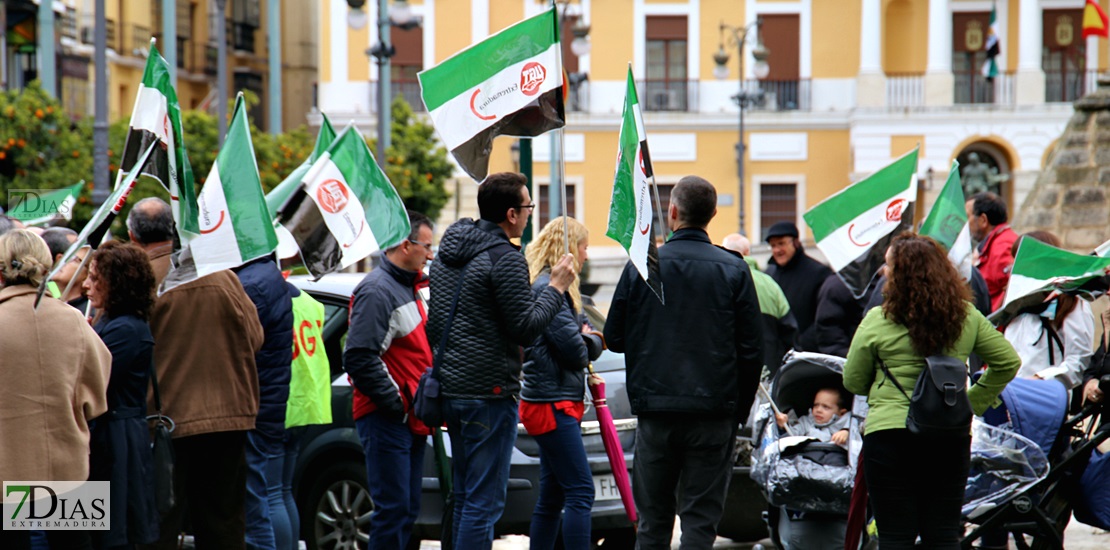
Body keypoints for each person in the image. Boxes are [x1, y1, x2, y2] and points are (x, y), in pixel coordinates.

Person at [605, 176, 764, 548]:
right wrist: (735, 411)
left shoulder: (642, 266)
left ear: (672, 212)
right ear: (712, 215)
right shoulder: (735, 269)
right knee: (700, 520)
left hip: (657, 411)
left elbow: (613, 337)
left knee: (653, 520)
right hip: (713, 413)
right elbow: (752, 350)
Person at [427, 172, 576, 549]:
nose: (530, 214)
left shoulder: (448, 254)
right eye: (528, 206)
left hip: (452, 388)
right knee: (483, 502)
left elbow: (438, 322)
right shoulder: (504, 258)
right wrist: (556, 288)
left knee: (464, 495)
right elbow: (525, 328)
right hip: (489, 394)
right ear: (511, 213)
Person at [843, 233, 1020, 549]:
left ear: (900, 274)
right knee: (942, 535)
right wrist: (972, 402)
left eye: (888, 266)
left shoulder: (877, 320)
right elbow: (1007, 361)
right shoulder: (966, 317)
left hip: (889, 435)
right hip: (948, 435)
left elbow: (853, 381)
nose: (884, 273)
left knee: (895, 536)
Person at [130, 199, 265, 549]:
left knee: (159, 525)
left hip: (164, 422)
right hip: (229, 418)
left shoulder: (137, 280)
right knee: (223, 525)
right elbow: (256, 337)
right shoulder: (223, 276)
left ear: (132, 236)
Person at [0, 229, 110, 550]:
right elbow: (97, 390)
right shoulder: (74, 320)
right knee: (73, 545)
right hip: (67, 465)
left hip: (7, 465)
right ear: (46, 266)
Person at [344, 211, 437, 549]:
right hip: (388, 418)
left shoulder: (409, 286)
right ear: (404, 244)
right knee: (394, 510)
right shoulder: (378, 290)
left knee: (405, 509)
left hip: (406, 417)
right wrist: (397, 402)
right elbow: (358, 356)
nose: (430, 254)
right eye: (426, 246)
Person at [520, 217, 605, 550]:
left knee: (552, 496)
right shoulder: (548, 289)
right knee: (581, 491)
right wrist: (594, 341)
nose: (586, 255)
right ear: (568, 249)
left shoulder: (549, 288)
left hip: (548, 400)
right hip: (552, 403)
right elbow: (574, 351)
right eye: (584, 247)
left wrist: (586, 337)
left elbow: (579, 336)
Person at [83, 240, 161, 550]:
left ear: (118, 282)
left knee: (115, 532)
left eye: (95, 277)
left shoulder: (125, 329)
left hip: (117, 441)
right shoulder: (113, 323)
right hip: (113, 434)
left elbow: (93, 379)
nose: (87, 285)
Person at [234, 255, 294, 550]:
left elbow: (237, 343)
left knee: (259, 505)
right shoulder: (267, 277)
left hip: (255, 408)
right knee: (274, 495)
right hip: (271, 404)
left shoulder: (253, 285)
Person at [1003, 231, 1094, 392]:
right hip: (1012, 398)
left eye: (1021, 261)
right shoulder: (1016, 305)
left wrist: (1040, 378)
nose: (1013, 270)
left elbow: (1079, 362)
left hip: (1046, 398)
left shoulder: (1070, 302)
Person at [281, 279, 333, 550]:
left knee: (270, 494)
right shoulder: (311, 304)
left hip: (282, 403)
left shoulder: (270, 301)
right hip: (306, 403)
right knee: (284, 491)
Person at [722, 233, 797, 374]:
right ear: (747, 252)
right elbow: (789, 330)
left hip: (728, 371)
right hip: (767, 369)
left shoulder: (718, 281)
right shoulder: (770, 284)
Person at [764, 221, 833, 351]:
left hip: (806, 353)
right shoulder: (769, 274)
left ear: (795, 243)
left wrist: (800, 345)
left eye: (781, 243)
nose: (777, 250)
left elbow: (824, 318)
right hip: (775, 351)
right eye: (773, 245)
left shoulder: (819, 273)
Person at [965, 192, 1019, 312]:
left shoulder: (1003, 246)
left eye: (967, 216)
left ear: (983, 220)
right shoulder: (997, 242)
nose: (965, 223)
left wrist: (993, 322)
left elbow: (1014, 288)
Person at [774, 387, 850, 446]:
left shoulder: (847, 422)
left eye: (826, 407)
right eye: (816, 405)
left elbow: (858, 428)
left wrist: (847, 431)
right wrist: (783, 425)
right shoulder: (805, 422)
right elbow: (792, 434)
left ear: (841, 413)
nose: (818, 410)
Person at [42, 226, 93, 311]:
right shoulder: (46, 300)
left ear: (87, 273)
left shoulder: (88, 310)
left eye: (74, 259)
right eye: (67, 256)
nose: (63, 261)